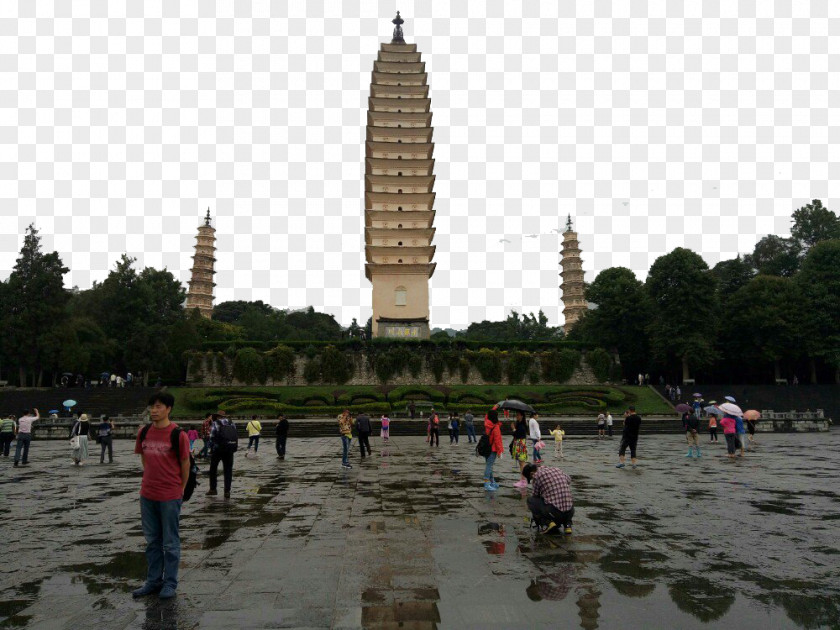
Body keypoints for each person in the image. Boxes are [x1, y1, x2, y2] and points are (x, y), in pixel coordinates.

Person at [132, 391, 190, 600]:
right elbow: (144, 460)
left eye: (158, 407)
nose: (154, 410)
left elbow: (185, 463)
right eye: (152, 406)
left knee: (170, 542)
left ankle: (170, 583)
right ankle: (153, 580)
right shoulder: (144, 432)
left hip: (170, 495)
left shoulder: (178, 434)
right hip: (147, 494)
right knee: (152, 541)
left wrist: (180, 488)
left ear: (168, 409)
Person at [523, 463, 574, 535]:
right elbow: (568, 480)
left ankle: (547, 523)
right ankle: (568, 525)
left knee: (531, 501)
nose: (532, 480)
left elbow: (535, 496)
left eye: (530, 478)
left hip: (555, 512)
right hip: (570, 511)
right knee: (565, 499)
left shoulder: (537, 476)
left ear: (531, 473)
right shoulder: (556, 469)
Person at [207, 413, 237, 497]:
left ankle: (213, 489)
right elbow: (234, 435)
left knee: (213, 469)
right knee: (228, 470)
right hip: (229, 449)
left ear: (216, 417)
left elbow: (212, 437)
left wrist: (210, 447)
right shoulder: (231, 423)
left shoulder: (216, 423)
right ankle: (227, 491)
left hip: (218, 449)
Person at [482, 409, 503, 491]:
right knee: (489, 466)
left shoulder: (487, 424)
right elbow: (498, 440)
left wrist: (495, 407)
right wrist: (499, 451)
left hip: (486, 448)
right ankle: (486, 483)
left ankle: (491, 482)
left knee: (489, 465)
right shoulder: (496, 426)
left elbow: (486, 415)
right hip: (493, 449)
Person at [512, 411, 529, 487]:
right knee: (521, 463)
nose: (517, 416)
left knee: (522, 463)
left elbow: (517, 435)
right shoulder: (519, 424)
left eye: (518, 415)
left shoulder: (522, 425)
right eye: (516, 415)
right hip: (519, 443)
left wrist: (513, 429)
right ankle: (522, 480)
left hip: (520, 444)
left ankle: (523, 481)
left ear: (522, 416)